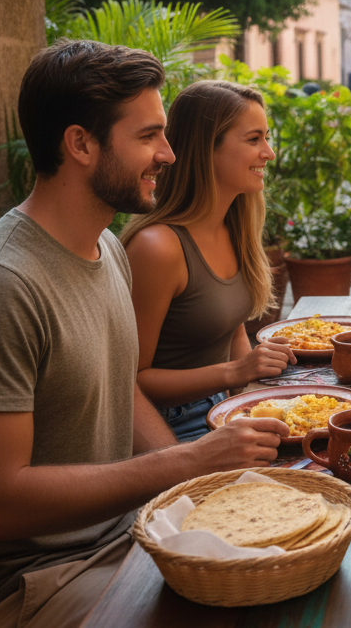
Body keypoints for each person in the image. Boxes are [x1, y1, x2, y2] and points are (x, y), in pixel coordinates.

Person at [0, 41, 289, 628]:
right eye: (150, 136)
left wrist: (200, 471)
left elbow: (123, 390)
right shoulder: (8, 283)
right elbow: (0, 500)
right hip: (41, 576)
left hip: (133, 529)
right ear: (80, 144)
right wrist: (179, 467)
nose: (170, 154)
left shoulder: (105, 247)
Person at [122, 81, 295, 441]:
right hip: (172, 428)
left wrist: (250, 397)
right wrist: (234, 372)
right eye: (253, 140)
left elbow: (231, 329)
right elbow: (130, 382)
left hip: (224, 409)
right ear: (206, 149)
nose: (269, 153)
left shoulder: (235, 227)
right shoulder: (157, 248)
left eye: (267, 138)